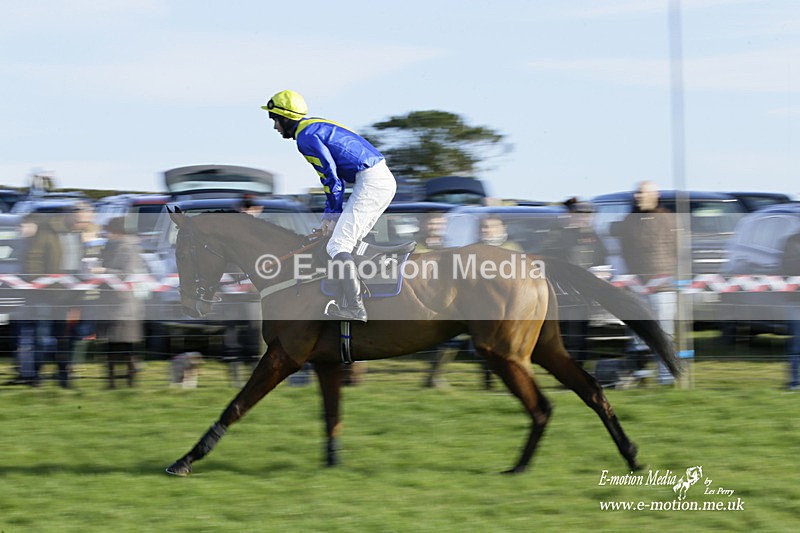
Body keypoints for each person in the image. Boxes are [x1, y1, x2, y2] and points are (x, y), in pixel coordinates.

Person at [262, 89, 396, 322]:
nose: (275, 127)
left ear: (285, 118)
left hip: (371, 181)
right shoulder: (314, 124)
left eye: (275, 119)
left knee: (337, 245)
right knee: (348, 242)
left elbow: (332, 179)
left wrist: (330, 216)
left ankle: (355, 307)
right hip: (379, 178)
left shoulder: (305, 139)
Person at [616, 180, 678, 385]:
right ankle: (639, 377)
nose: (637, 196)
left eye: (641, 193)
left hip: (663, 288)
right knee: (638, 336)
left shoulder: (668, 220)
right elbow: (625, 251)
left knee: (663, 334)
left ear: (655, 195)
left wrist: (667, 274)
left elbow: (678, 251)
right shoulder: (629, 221)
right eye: (636, 193)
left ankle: (666, 378)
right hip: (637, 287)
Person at [541, 198, 607, 367]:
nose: (584, 218)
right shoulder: (559, 235)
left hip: (585, 296)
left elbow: (602, 259)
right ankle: (569, 372)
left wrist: (601, 272)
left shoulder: (593, 237)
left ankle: (577, 371)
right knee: (569, 338)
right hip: (565, 295)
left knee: (581, 337)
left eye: (587, 215)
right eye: (580, 214)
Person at [94, 217, 147, 388]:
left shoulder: (128, 248)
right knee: (111, 346)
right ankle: (111, 382)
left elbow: (127, 273)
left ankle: (130, 382)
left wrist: (103, 271)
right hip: (111, 304)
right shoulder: (112, 246)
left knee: (125, 346)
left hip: (124, 305)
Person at [781, 229, 800, 391]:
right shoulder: (792, 241)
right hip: (795, 301)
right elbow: (788, 266)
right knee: (796, 345)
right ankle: (794, 382)